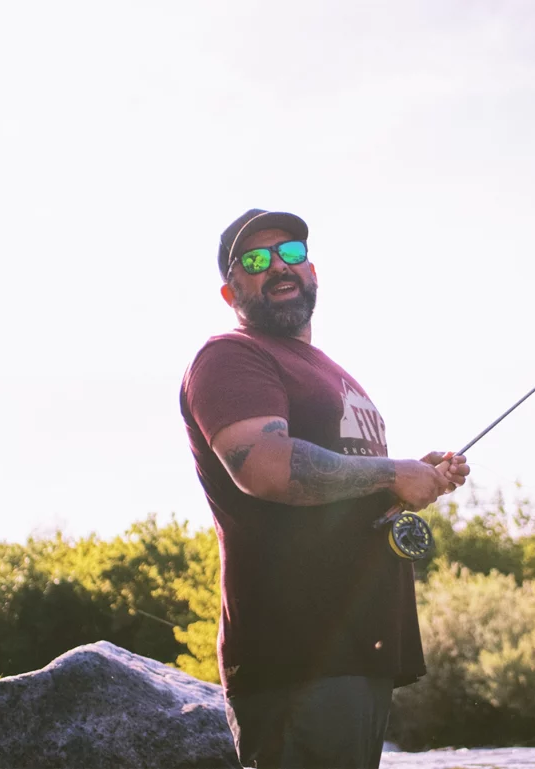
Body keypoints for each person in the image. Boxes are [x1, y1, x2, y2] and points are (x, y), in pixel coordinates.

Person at [180, 209, 470, 768]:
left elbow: (339, 495)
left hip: (357, 651)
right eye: (257, 261)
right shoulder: (231, 356)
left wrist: (415, 476)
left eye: (290, 253)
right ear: (230, 289)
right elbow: (264, 467)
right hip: (296, 656)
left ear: (312, 269)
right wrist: (392, 472)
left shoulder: (331, 371)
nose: (278, 267)